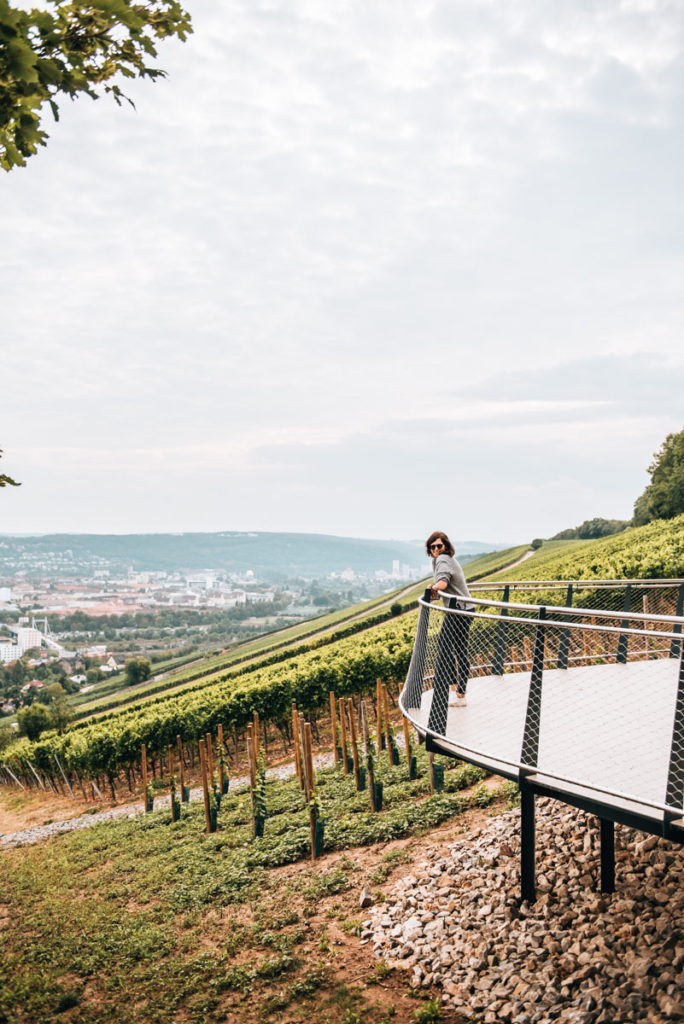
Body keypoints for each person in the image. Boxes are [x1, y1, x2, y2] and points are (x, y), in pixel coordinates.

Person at [426, 530, 475, 709]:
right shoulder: (443, 560)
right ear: (429, 549)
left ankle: (458, 692)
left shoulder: (443, 559)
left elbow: (444, 582)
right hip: (464, 609)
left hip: (458, 610)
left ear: (446, 546)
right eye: (433, 547)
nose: (436, 549)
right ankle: (460, 693)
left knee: (445, 649)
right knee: (459, 650)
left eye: (439, 545)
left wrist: (434, 587)